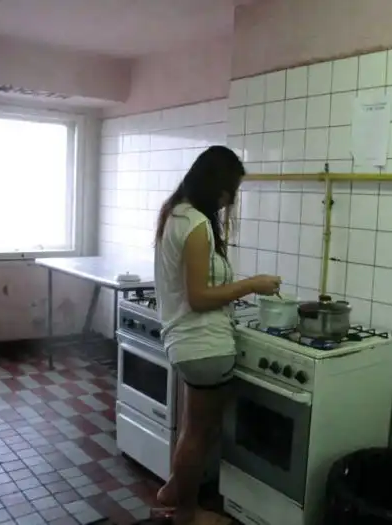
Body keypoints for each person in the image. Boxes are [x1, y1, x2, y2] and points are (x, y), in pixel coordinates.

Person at [153, 145, 282, 525]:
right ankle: (187, 514)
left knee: (192, 428)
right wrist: (252, 284)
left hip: (186, 342)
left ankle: (173, 491)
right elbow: (199, 298)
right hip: (203, 344)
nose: (230, 201)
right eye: (230, 191)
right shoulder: (196, 224)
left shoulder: (174, 214)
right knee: (199, 433)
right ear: (215, 186)